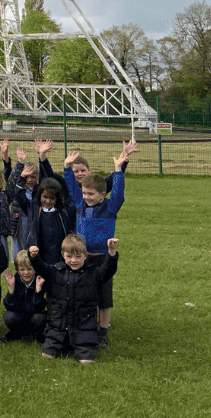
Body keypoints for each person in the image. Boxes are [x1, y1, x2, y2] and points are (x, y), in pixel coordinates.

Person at [64, 146, 129, 347]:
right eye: (84, 193)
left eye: (91, 194)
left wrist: (118, 171)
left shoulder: (110, 207)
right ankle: (84, 325)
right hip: (83, 257)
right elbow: (72, 187)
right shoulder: (79, 204)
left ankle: (103, 332)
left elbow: (118, 193)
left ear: (102, 194)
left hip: (102, 258)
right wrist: (67, 167)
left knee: (104, 298)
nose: (86, 197)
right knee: (83, 294)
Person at [29, 235, 119, 364]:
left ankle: (80, 348)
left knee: (86, 361)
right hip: (59, 329)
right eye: (69, 256)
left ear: (85, 256)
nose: (73, 260)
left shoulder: (93, 274)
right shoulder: (55, 271)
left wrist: (111, 252)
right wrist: (33, 256)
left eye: (78, 256)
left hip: (84, 329)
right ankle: (62, 345)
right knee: (47, 356)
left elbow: (108, 270)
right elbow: (41, 267)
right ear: (62, 255)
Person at [2, 249, 47, 342]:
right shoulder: (15, 281)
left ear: (35, 269)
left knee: (40, 317)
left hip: (33, 317)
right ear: (17, 270)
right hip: (19, 317)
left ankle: (37, 335)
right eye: (22, 269)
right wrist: (11, 287)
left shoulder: (39, 280)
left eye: (29, 269)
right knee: (8, 316)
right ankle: (15, 334)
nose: (26, 273)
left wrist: (38, 290)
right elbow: (9, 306)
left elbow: (40, 307)